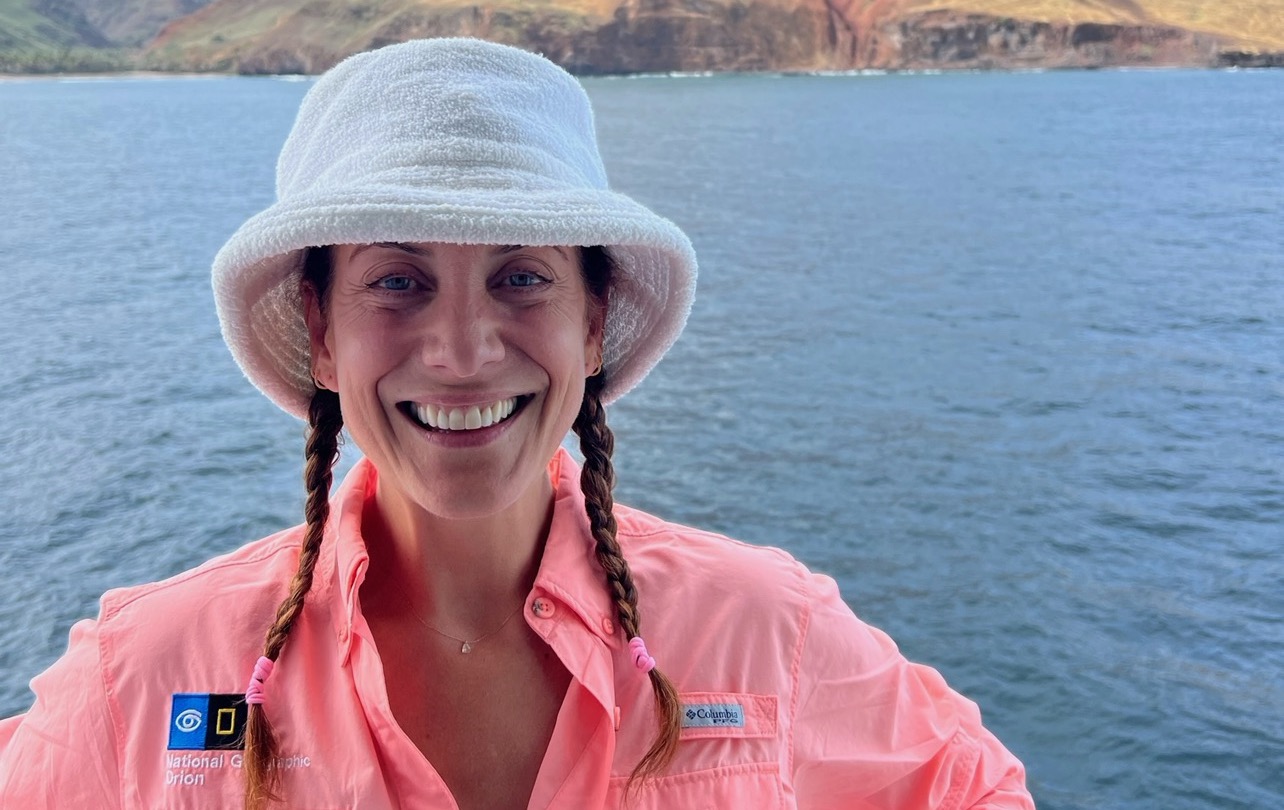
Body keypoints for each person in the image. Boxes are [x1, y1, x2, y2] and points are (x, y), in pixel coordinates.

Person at [0, 38, 1034, 809]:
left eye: (522, 277)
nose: (461, 352)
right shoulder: (148, 676)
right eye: (396, 280)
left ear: (592, 323)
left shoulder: (767, 632)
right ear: (320, 332)